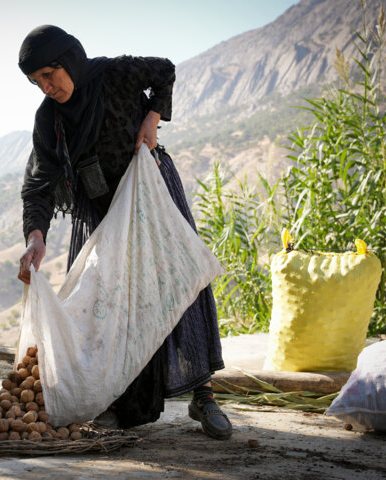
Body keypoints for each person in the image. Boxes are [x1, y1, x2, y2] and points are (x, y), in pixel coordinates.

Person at [16, 25, 232, 440]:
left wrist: (152, 118)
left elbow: (163, 71)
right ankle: (118, 402)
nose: (45, 87)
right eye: (36, 81)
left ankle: (203, 395)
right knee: (109, 304)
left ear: (69, 60)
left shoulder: (113, 75)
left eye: (49, 74)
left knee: (177, 286)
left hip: (151, 197)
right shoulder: (50, 121)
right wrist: (35, 238)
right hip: (103, 214)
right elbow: (38, 186)